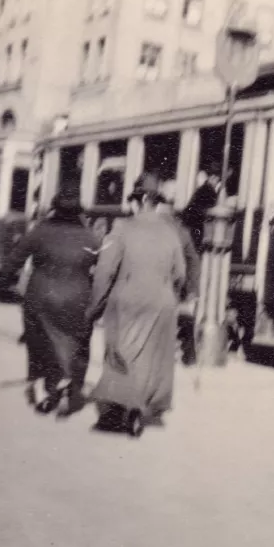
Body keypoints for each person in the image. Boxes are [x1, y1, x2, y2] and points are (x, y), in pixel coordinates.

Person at [86, 173, 186, 435]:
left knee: (120, 350)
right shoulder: (170, 232)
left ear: (141, 200)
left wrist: (95, 305)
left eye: (132, 200)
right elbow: (180, 274)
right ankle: (140, 405)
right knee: (151, 356)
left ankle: (123, 407)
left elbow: (104, 271)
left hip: (129, 299)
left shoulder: (121, 229)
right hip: (162, 301)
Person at [2, 186, 99, 417]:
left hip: (41, 295)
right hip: (78, 297)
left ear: (54, 208)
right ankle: (68, 380)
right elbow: (101, 266)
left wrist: (6, 278)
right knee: (75, 342)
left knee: (38, 343)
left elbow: (14, 259)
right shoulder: (90, 236)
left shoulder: (40, 231)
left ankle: (47, 391)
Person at [156, 177, 201, 366]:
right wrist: (192, 292)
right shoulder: (182, 230)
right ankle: (189, 356)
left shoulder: (145, 226)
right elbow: (194, 261)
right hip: (173, 288)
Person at [180, 166, 222, 251]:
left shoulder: (202, 188)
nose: (216, 182)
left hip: (190, 220)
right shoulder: (209, 190)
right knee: (195, 245)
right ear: (212, 178)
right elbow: (208, 208)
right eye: (216, 180)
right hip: (195, 221)